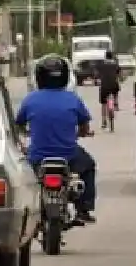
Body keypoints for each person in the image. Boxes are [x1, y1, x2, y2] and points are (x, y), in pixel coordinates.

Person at [15, 54, 97, 223]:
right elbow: (84, 126)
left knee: (23, 180)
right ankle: (84, 208)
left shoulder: (30, 99)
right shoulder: (73, 99)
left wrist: (28, 135)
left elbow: (19, 125)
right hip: (69, 155)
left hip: (37, 156)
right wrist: (80, 133)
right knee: (88, 166)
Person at [97, 50, 122, 114]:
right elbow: (119, 74)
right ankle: (116, 102)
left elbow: (98, 74)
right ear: (112, 56)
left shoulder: (101, 64)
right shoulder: (115, 64)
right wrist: (120, 79)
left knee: (103, 104)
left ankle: (103, 120)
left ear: (106, 57)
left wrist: (98, 79)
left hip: (104, 87)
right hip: (113, 86)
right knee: (116, 88)